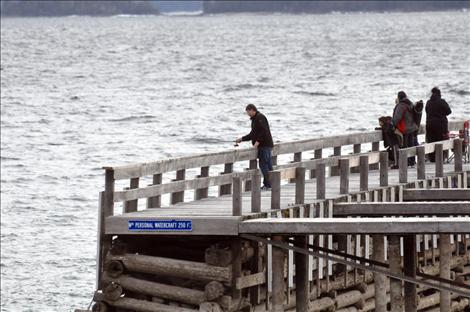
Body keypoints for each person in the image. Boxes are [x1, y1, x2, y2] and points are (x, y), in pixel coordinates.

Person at [236, 104, 274, 190]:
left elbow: (263, 131)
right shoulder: (254, 119)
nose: (248, 114)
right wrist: (242, 139)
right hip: (264, 145)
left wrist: (257, 142)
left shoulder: (260, 117)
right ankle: (270, 184)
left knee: (264, 165)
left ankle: (268, 184)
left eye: (248, 112)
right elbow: (253, 134)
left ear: (253, 110)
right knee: (267, 165)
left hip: (264, 145)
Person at [425, 87, 452, 162]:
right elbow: (449, 111)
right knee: (440, 142)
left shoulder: (428, 102)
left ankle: (432, 160)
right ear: (439, 94)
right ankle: (440, 160)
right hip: (440, 125)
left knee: (431, 142)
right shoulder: (442, 101)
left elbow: (427, 111)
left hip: (430, 125)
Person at [392, 91, 418, 166]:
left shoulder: (401, 106)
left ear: (398, 97)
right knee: (411, 145)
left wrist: (393, 125)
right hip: (412, 128)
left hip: (404, 129)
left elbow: (397, 118)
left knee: (404, 147)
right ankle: (412, 162)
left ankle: (405, 163)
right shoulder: (410, 104)